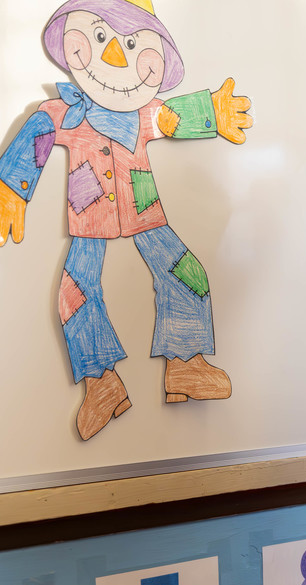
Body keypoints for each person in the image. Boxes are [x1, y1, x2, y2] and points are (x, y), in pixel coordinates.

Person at [0, 0, 253, 440]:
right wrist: (11, 186)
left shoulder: (144, 111)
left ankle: (186, 365)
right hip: (89, 213)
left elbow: (175, 116)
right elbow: (37, 132)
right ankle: (101, 385)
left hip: (143, 209)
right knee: (74, 292)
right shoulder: (64, 110)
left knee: (186, 272)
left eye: (132, 43)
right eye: (101, 37)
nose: (116, 55)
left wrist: (213, 110)